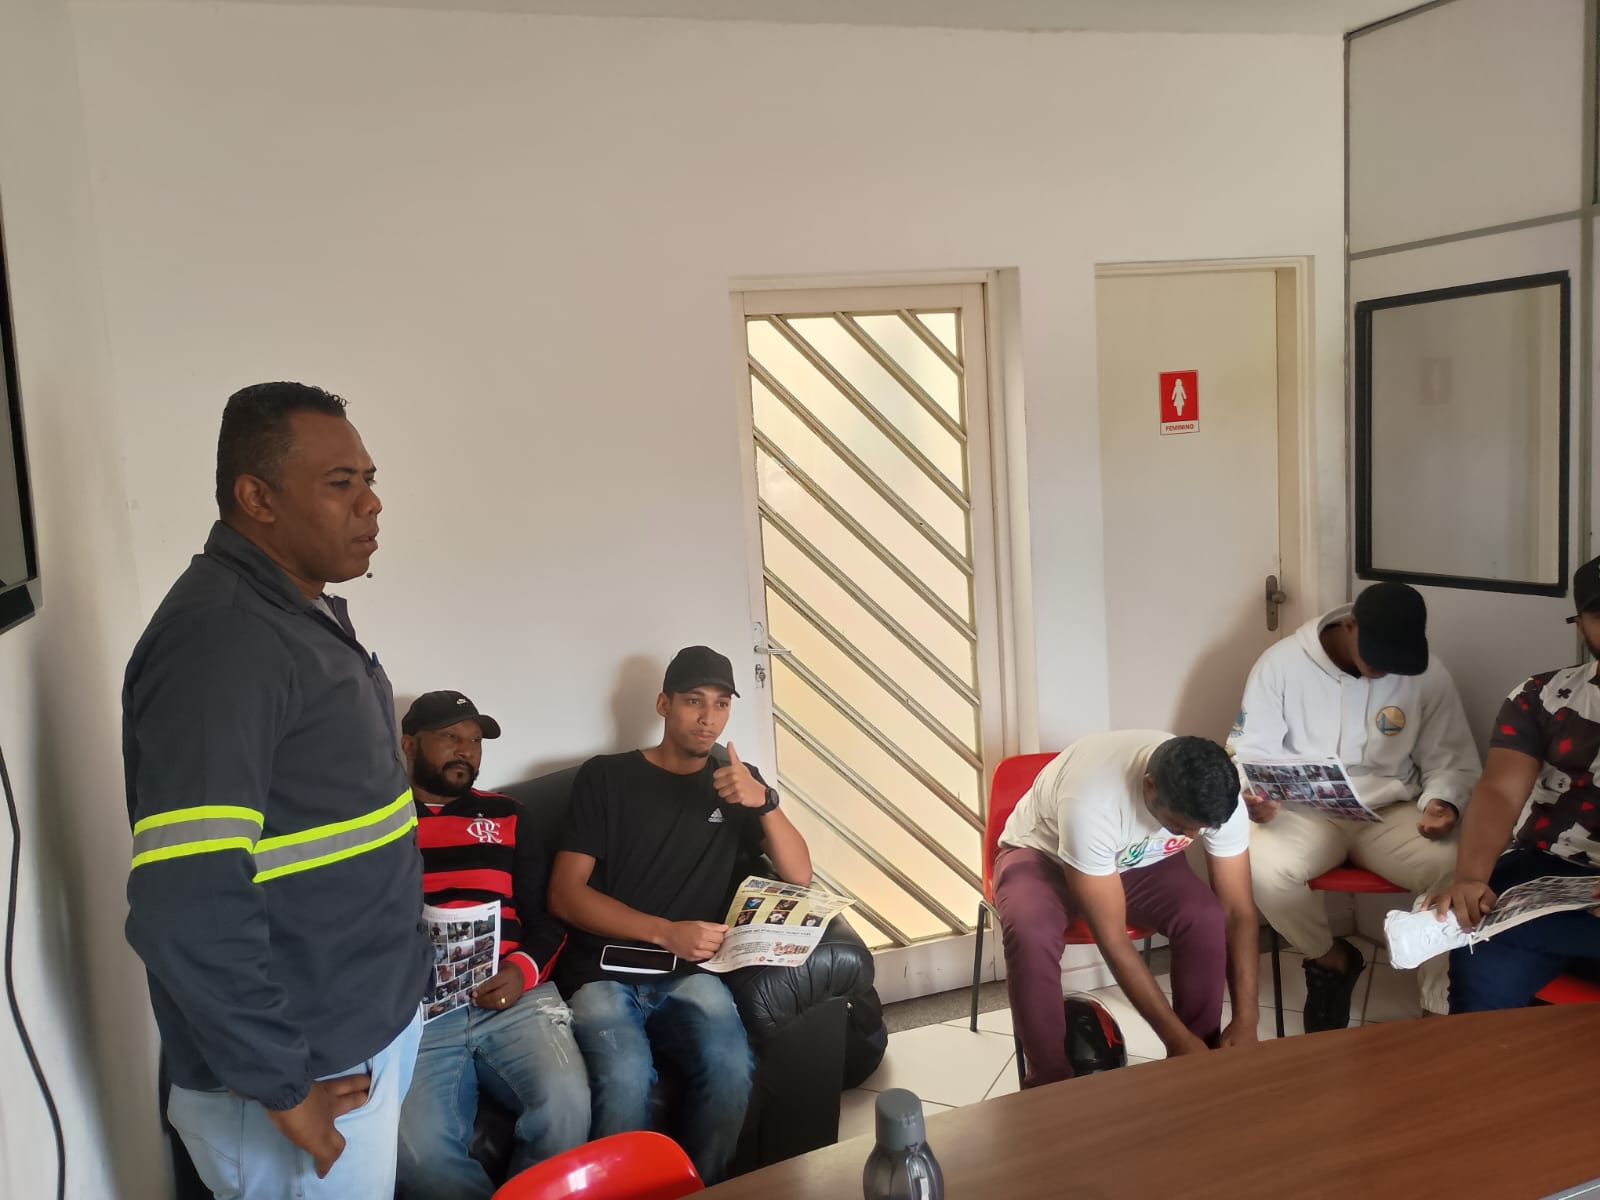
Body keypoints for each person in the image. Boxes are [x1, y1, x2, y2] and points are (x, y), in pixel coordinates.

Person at [123, 382, 432, 1200]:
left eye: (369, 479)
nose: (371, 503)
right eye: (341, 483)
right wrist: (284, 1088)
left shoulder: (299, 611)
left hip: (355, 1037)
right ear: (256, 499)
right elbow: (184, 902)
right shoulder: (222, 643)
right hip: (298, 1077)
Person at [547, 646, 811, 1184]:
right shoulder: (607, 777)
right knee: (625, 1080)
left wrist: (764, 801)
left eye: (721, 704)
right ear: (664, 704)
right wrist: (666, 932)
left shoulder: (735, 780)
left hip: (689, 974)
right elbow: (565, 895)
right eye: (694, 701)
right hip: (604, 970)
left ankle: (701, 1189)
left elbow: (799, 875)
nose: (708, 717)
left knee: (731, 1071)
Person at [1227, 581, 1478, 1031]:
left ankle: (1437, 1009)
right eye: (1377, 660)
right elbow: (1249, 752)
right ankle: (1330, 960)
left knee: (1458, 867)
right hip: (1304, 812)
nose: (1385, 672)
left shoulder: (1428, 672)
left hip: (1391, 811)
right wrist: (1256, 797)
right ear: (1350, 626)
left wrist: (1443, 802)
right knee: (1261, 867)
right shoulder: (1281, 664)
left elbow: (1451, 757)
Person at [396, 690, 590, 1200]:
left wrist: (522, 972)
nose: (466, 750)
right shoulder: (379, 822)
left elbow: (548, 916)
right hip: (421, 1013)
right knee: (418, 1156)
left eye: (475, 740)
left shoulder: (508, 815)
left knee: (567, 1107)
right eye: (450, 737)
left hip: (515, 996)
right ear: (409, 744)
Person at [993, 731, 1259, 1088]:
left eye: (1201, 829)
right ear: (1149, 786)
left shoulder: (1219, 793)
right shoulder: (1092, 798)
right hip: (1044, 855)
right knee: (1031, 933)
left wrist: (1247, 1020)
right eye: (1181, 828)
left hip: (1135, 859)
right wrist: (1174, 1038)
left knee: (1204, 916)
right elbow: (1113, 938)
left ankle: (1201, 1061)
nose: (1193, 837)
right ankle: (1049, 1085)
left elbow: (1238, 911)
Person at [1430, 556, 1600, 1011]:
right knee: (1478, 946)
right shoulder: (1541, 697)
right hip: (1545, 870)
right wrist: (1470, 877)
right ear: (1580, 623)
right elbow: (1501, 790)